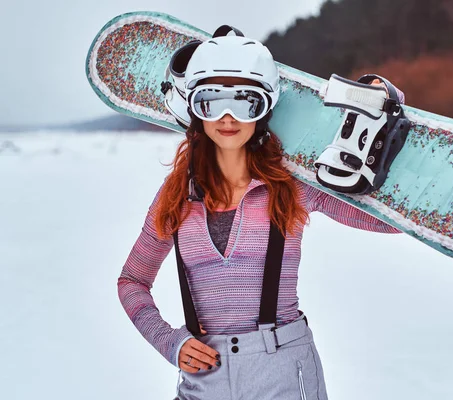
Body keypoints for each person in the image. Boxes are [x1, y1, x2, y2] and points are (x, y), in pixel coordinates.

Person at [117, 28, 404, 400]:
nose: (227, 116)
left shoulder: (293, 186)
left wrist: (389, 125)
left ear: (265, 106)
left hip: (282, 372)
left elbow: (392, 221)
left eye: (244, 102)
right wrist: (169, 341)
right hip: (204, 381)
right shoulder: (174, 196)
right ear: (194, 108)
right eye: (212, 101)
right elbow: (132, 281)